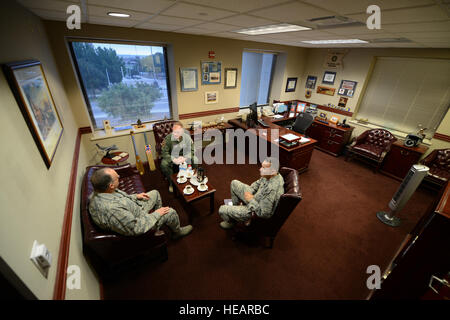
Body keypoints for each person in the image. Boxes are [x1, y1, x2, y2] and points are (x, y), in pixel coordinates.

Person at [89, 167, 193, 239]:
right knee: (170, 211)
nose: (119, 176)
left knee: (155, 193)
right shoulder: (112, 210)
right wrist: (157, 214)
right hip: (140, 222)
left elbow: (120, 199)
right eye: (117, 177)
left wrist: (135, 196)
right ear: (111, 185)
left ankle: (159, 224)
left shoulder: (101, 191)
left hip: (134, 209)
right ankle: (177, 232)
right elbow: (136, 228)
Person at [218, 157, 284, 229]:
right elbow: (258, 183)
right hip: (255, 198)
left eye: (263, 168)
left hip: (253, 211)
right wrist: (250, 193)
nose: (260, 169)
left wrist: (251, 200)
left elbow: (264, 214)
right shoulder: (272, 174)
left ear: (273, 171)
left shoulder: (271, 190)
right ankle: (235, 210)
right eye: (261, 166)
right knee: (234, 183)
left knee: (222, 209)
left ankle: (232, 221)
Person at [161, 122, 198, 192]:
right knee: (164, 164)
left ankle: (192, 178)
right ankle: (172, 183)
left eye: (177, 132)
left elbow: (192, 150)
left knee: (195, 159)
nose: (175, 134)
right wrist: (173, 159)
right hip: (173, 157)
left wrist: (185, 157)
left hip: (184, 156)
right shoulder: (168, 139)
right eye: (174, 132)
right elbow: (164, 153)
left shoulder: (187, 137)